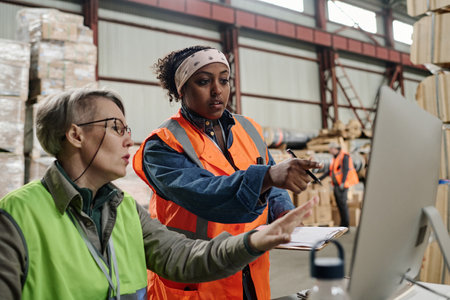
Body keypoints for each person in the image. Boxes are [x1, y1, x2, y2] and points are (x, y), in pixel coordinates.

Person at [0, 88, 318, 300]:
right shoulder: (16, 217)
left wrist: (252, 241)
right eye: (115, 128)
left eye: (127, 129)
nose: (129, 140)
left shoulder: (125, 209)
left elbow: (183, 257)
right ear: (75, 135)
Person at [133, 45, 323, 300]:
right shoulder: (163, 145)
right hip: (197, 280)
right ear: (182, 89)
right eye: (203, 81)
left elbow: (272, 182)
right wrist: (267, 176)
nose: (217, 90)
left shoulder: (250, 129)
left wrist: (284, 211)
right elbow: (205, 194)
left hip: (250, 272)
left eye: (224, 80)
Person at [318, 142, 359, 227]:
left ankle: (346, 226)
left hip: (343, 185)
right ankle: (342, 224)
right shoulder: (335, 158)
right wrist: (319, 179)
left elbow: (346, 169)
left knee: (343, 205)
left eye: (330, 149)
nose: (330, 151)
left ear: (334, 148)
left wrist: (343, 183)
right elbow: (330, 171)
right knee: (340, 205)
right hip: (337, 185)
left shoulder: (344, 156)